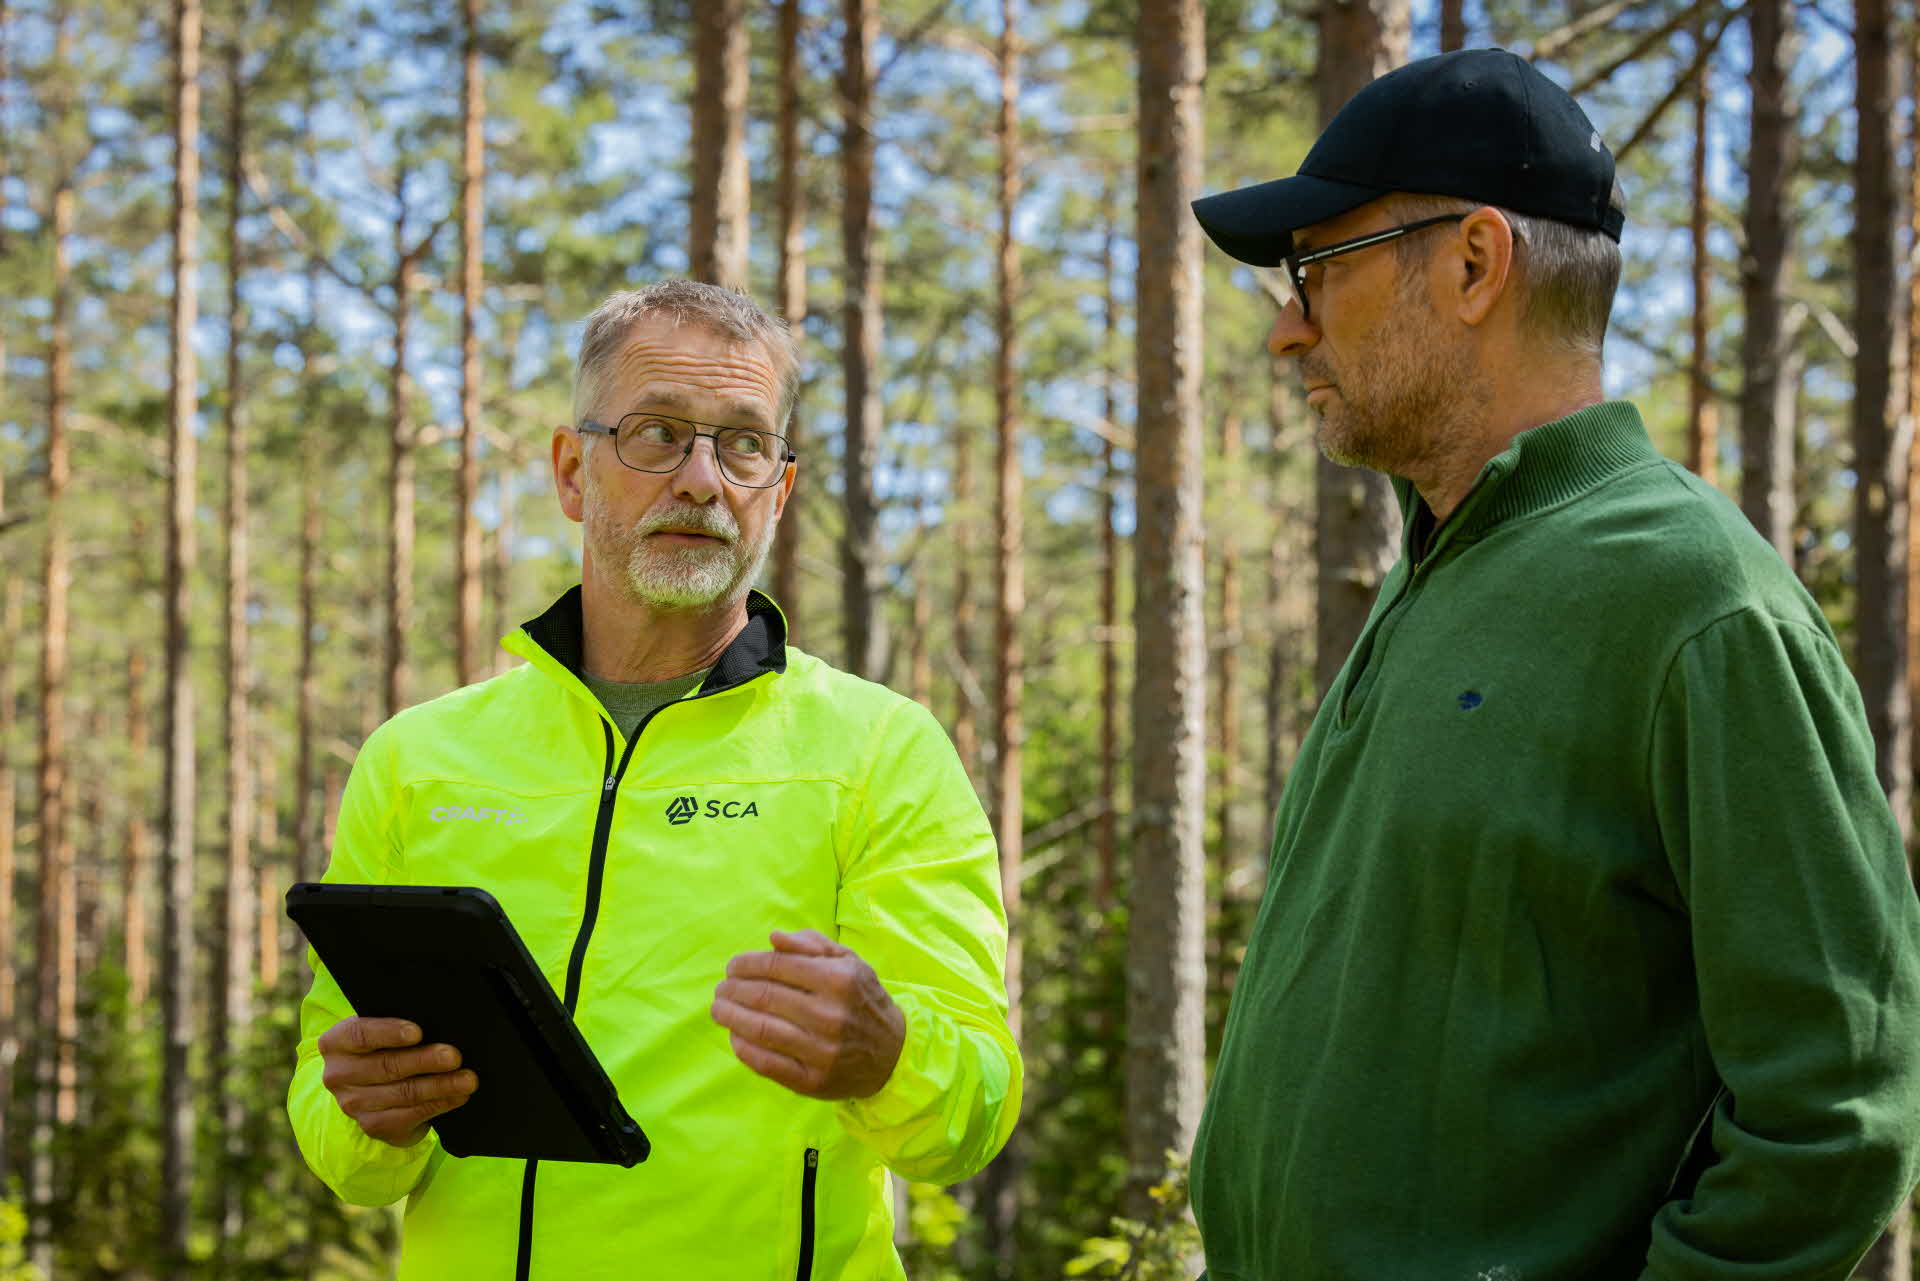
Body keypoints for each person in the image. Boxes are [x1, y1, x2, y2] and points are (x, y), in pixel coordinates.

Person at [1185, 47, 1920, 1281]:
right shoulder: (1446, 564)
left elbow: (1840, 1109)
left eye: (1317, 267)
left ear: (1474, 262)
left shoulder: (1697, 598)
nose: (1289, 330)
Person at [286, 280, 1021, 1279]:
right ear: (571, 471)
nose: (703, 479)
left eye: (745, 443)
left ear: (780, 490)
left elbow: (971, 1117)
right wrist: (368, 1117)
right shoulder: (416, 759)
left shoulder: (882, 750)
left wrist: (891, 1057)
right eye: (659, 433)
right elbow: (343, 1150)